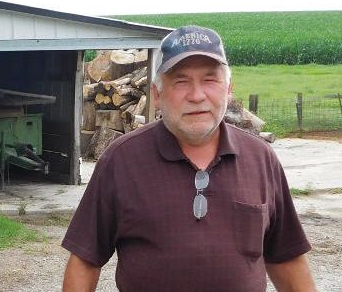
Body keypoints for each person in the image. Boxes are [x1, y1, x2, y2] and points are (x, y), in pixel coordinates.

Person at [61, 25, 316, 291]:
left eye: (210, 80)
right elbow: (85, 260)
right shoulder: (122, 160)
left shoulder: (260, 158)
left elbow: (286, 256)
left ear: (228, 89)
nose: (196, 96)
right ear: (157, 94)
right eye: (181, 81)